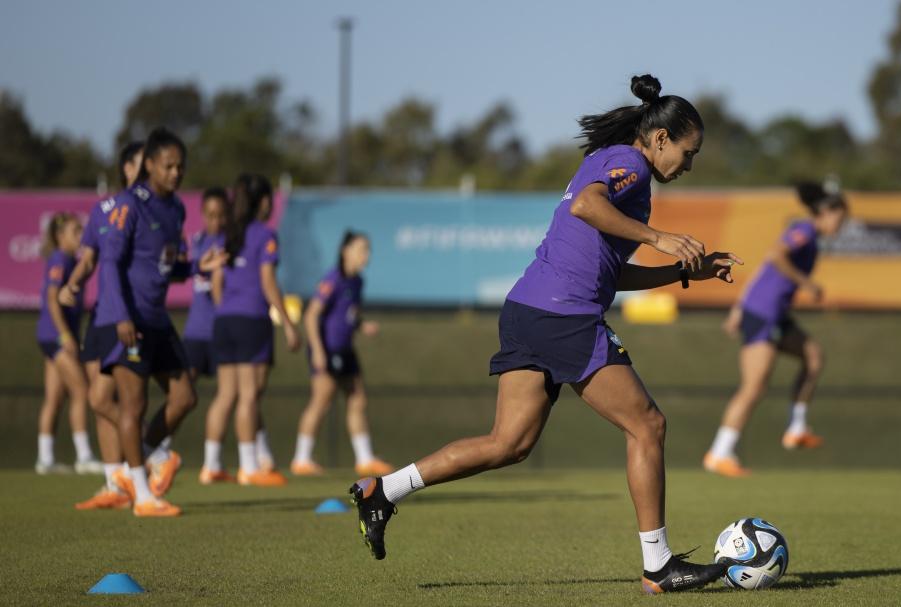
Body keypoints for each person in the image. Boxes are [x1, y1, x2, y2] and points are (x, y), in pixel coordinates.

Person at [350, 74, 744, 594]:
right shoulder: (630, 165)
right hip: (564, 316)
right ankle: (658, 565)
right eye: (688, 153)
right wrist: (660, 238)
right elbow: (586, 206)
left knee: (508, 443)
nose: (688, 166)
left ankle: (384, 491)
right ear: (662, 139)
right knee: (648, 425)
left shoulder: (613, 165)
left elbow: (611, 271)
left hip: (528, 310)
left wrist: (682, 271)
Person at [703, 181, 848, 478]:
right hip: (764, 312)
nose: (841, 225)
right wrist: (806, 284)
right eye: (840, 218)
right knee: (754, 386)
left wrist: (738, 306)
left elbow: (762, 269)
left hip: (773, 313)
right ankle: (719, 452)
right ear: (827, 213)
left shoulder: (812, 237)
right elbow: (775, 255)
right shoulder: (805, 230)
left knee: (813, 356)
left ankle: (797, 428)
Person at [64, 141, 175, 510]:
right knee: (98, 399)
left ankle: (141, 462)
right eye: (141, 164)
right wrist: (74, 282)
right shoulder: (106, 209)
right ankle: (117, 481)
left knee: (116, 399)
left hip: (125, 313)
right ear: (127, 168)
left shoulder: (149, 208)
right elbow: (93, 258)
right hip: (104, 314)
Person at [95, 127, 197, 517]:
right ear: (150, 164)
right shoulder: (129, 204)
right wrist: (120, 315)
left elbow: (167, 266)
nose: (175, 173)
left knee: (186, 397)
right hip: (130, 317)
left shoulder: (176, 209)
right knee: (132, 407)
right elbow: (110, 263)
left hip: (157, 317)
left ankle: (150, 457)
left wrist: (194, 267)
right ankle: (142, 495)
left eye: (180, 167)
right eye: (168, 165)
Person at [203, 173, 300, 486]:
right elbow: (268, 283)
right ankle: (249, 467)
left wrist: (226, 311)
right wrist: (287, 323)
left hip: (224, 321)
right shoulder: (265, 235)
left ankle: (211, 464)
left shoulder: (225, 234)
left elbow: (216, 282)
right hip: (251, 320)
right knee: (249, 396)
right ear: (264, 201)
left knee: (225, 395)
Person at [291, 231, 390, 477]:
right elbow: (311, 315)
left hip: (346, 348)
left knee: (358, 399)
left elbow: (348, 313)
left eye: (368, 249)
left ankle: (365, 459)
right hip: (328, 348)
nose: (366, 254)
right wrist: (318, 351)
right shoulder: (332, 279)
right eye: (361, 249)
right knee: (322, 401)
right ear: (346, 251)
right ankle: (301, 458)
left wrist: (361, 324)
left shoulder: (357, 282)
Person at [35, 212, 101, 475]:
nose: (80, 236)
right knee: (82, 391)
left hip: (53, 336)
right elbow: (53, 299)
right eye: (75, 232)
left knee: (54, 398)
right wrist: (65, 335)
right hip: (55, 337)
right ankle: (84, 456)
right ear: (61, 236)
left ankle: (45, 459)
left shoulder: (73, 260)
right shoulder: (60, 259)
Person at [184, 187, 228, 381]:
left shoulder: (232, 243)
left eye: (221, 215)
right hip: (195, 332)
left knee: (231, 394)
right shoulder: (196, 241)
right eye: (211, 215)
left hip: (222, 333)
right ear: (202, 214)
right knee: (182, 396)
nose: (216, 221)